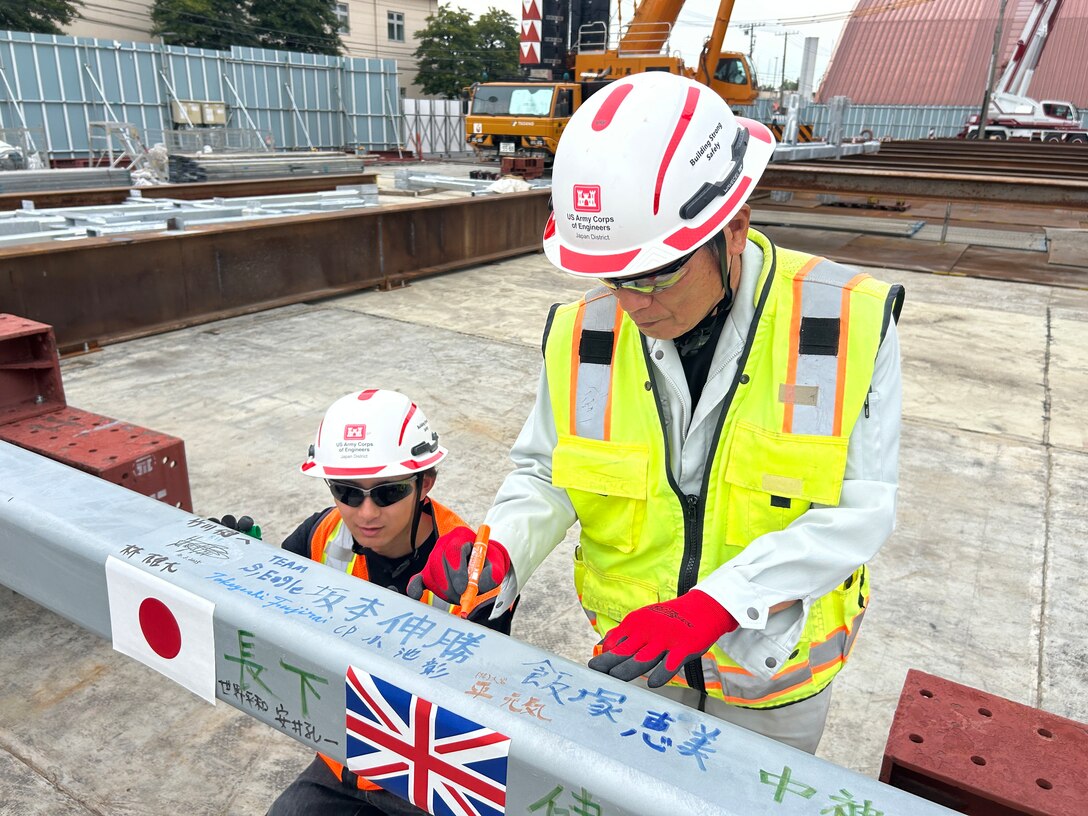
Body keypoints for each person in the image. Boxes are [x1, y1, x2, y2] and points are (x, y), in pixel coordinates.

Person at [410, 71, 904, 755]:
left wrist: (715, 605)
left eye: (657, 273)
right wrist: (502, 551)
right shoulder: (586, 334)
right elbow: (548, 471)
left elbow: (859, 510)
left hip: (773, 680)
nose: (634, 303)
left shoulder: (843, 322)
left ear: (734, 228)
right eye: (616, 277)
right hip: (634, 664)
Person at [267, 388, 514, 816]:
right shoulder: (320, 535)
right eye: (346, 492)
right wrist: (234, 559)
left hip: (429, 772)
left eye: (387, 493)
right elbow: (268, 609)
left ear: (426, 483)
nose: (365, 513)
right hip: (343, 757)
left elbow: (487, 695)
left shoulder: (470, 569)